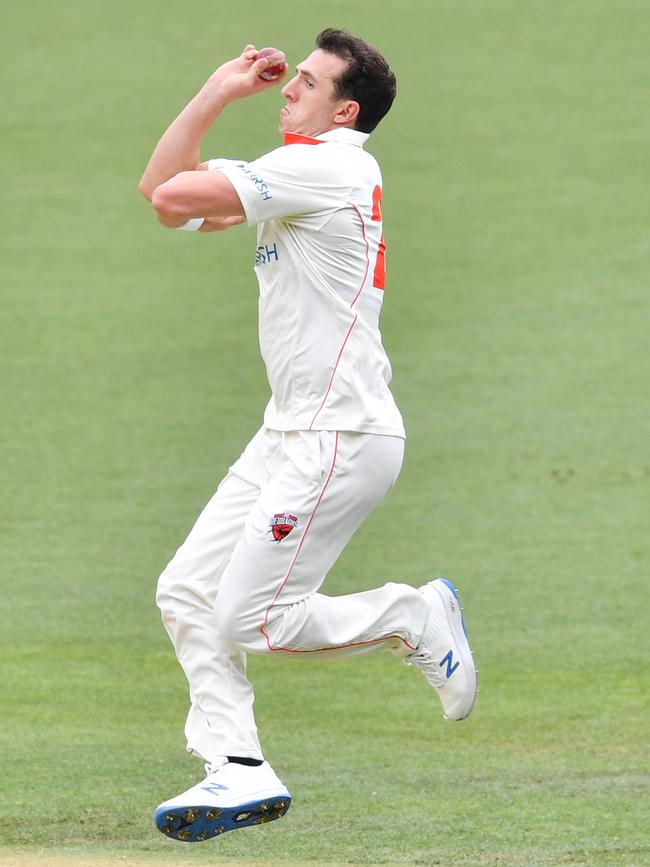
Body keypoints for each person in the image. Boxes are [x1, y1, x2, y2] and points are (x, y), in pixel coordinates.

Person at [139, 28, 477, 844]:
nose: (290, 86)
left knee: (255, 620)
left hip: (339, 434)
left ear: (346, 109)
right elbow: (162, 189)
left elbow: (167, 197)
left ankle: (412, 613)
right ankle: (239, 767)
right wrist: (221, 86)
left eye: (310, 81)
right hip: (290, 430)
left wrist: (223, 96)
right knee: (186, 590)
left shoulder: (324, 166)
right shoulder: (301, 173)